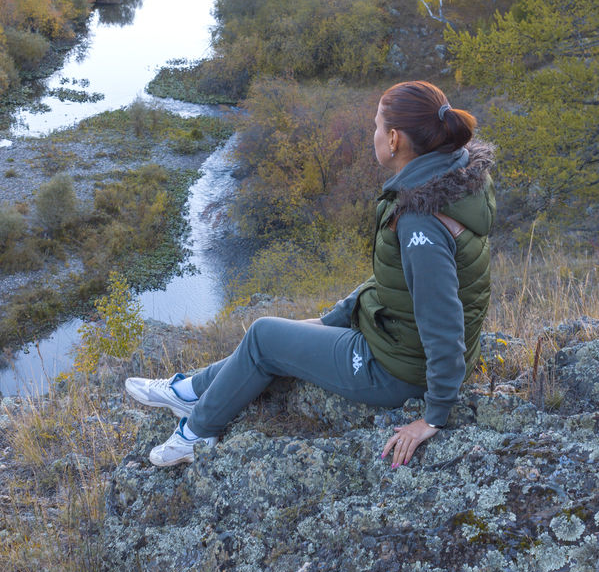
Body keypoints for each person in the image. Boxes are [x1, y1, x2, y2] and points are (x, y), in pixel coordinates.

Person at [125, 80, 495, 469]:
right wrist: (334, 317)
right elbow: (399, 283)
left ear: (393, 139)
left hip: (398, 370)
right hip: (400, 344)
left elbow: (443, 321)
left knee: (264, 335)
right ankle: (189, 389)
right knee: (276, 336)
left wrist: (433, 415)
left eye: (375, 126)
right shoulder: (451, 179)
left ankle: (197, 432)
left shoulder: (421, 218)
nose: (371, 135)